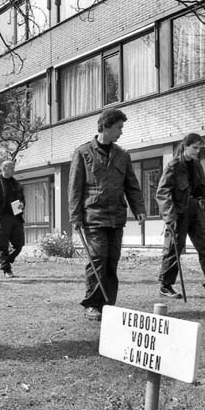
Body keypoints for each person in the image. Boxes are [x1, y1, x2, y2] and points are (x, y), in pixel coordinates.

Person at [68, 109, 146, 321]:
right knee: (98, 258)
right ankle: (92, 304)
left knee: (112, 260)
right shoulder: (83, 152)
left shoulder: (123, 155)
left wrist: (138, 208)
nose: (121, 132)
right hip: (93, 216)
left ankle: (108, 304)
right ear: (106, 126)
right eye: (119, 127)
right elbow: (75, 187)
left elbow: (132, 185)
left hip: (117, 216)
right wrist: (75, 216)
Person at [156, 133, 205, 302]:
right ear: (185, 146)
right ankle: (166, 286)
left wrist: (203, 210)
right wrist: (170, 217)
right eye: (194, 148)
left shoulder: (197, 165)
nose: (197, 151)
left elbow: (201, 189)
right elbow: (162, 193)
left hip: (196, 212)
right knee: (173, 249)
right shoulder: (173, 166)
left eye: (199, 148)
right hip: (178, 213)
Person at [0, 160, 25, 277]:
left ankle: (6, 261)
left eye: (14, 168)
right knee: (2, 245)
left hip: (16, 217)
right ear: (4, 169)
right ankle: (7, 270)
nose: (14, 170)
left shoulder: (16, 184)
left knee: (19, 244)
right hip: (2, 217)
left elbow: (22, 199)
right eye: (11, 168)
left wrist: (23, 204)